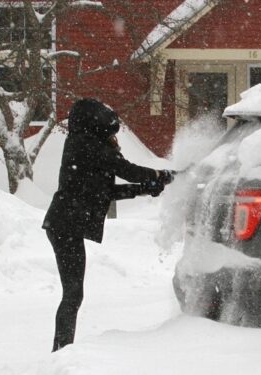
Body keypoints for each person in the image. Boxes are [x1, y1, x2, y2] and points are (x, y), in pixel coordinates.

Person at [42, 98, 173, 352]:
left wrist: (145, 189)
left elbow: (107, 191)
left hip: (65, 225)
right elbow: (126, 169)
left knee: (73, 294)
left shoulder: (86, 145)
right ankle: (60, 353)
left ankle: (60, 350)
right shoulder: (85, 144)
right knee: (73, 293)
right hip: (65, 225)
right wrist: (158, 175)